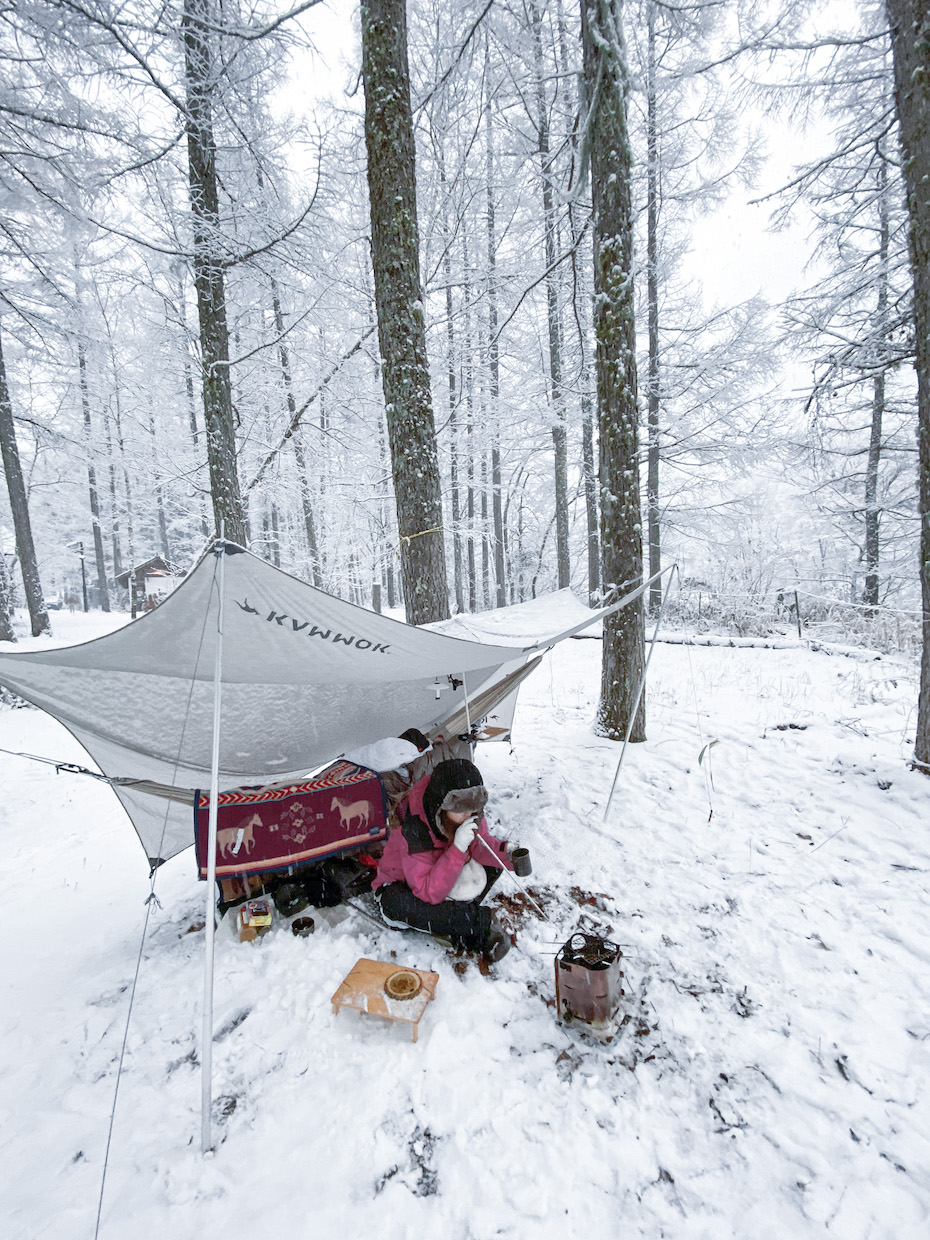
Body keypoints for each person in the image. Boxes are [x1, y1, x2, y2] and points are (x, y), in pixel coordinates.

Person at [373, 758, 515, 962]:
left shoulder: (468, 812)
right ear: (439, 805)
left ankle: (454, 915)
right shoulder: (414, 832)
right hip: (406, 886)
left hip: (444, 868)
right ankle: (475, 924)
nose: (468, 816)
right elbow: (427, 891)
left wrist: (507, 855)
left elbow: (479, 846)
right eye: (460, 810)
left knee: (494, 862)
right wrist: (457, 848)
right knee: (397, 904)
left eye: (472, 809)